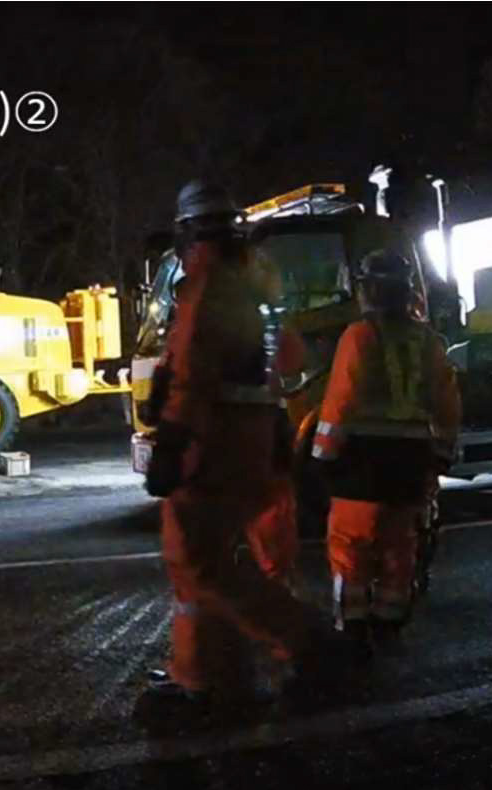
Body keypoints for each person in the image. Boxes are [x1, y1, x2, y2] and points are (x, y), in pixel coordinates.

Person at [143, 180, 309, 703]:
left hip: (212, 441)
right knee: (206, 563)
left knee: (203, 562)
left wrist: (171, 438)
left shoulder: (208, 282)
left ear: (189, 231)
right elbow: (281, 363)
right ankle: (211, 673)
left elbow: (193, 371)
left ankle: (312, 644)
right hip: (243, 436)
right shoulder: (247, 284)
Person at [311, 249, 461, 645]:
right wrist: (441, 453)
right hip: (411, 462)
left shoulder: (360, 336)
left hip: (361, 462)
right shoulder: (428, 340)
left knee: (351, 545)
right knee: (400, 544)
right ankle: (390, 619)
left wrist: (322, 455)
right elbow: (447, 403)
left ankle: (354, 625)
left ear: (369, 289)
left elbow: (340, 400)